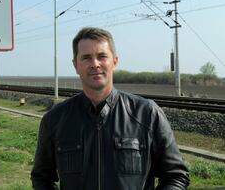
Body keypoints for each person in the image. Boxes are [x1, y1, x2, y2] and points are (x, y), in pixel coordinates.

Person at [31, 27, 190, 190]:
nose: (95, 64)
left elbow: (175, 175)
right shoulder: (55, 119)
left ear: (114, 61)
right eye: (86, 58)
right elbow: (41, 178)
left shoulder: (147, 113)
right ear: (76, 65)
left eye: (102, 56)